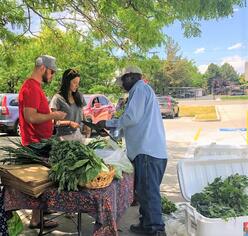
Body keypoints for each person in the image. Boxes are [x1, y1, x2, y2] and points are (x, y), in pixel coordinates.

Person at [96, 66, 167, 236]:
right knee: (144, 192)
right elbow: (133, 121)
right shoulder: (142, 90)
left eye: (122, 81)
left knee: (149, 194)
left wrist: (107, 123)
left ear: (130, 78)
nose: (121, 85)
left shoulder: (140, 89)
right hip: (148, 151)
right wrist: (113, 131)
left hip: (147, 152)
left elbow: (131, 117)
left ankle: (155, 230)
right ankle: (147, 224)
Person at [19, 55, 67, 229]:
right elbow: (30, 117)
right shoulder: (30, 87)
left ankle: (40, 213)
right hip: (34, 144)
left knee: (42, 183)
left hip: (40, 142)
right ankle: (36, 220)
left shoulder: (36, 87)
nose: (52, 75)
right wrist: (53, 115)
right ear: (43, 68)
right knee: (39, 184)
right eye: (52, 72)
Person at [50, 68, 86, 137]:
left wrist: (87, 126)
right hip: (63, 139)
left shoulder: (80, 96)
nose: (77, 86)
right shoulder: (57, 98)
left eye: (78, 83)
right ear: (67, 82)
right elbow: (55, 122)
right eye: (74, 83)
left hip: (78, 136)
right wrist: (69, 123)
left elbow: (82, 113)